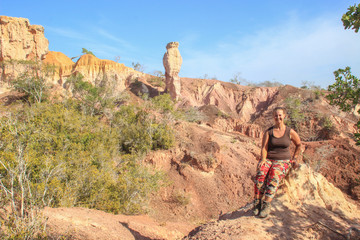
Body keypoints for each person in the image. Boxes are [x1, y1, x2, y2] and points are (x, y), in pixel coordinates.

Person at [253, 107, 302, 218]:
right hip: (269, 159)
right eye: (275, 115)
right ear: (273, 116)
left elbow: (299, 145)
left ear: (284, 116)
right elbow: (264, 147)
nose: (278, 117)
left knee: (275, 173)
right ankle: (257, 202)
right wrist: (263, 160)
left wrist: (295, 158)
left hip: (283, 160)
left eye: (280, 115)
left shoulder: (290, 132)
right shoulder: (269, 132)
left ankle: (266, 203)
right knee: (261, 172)